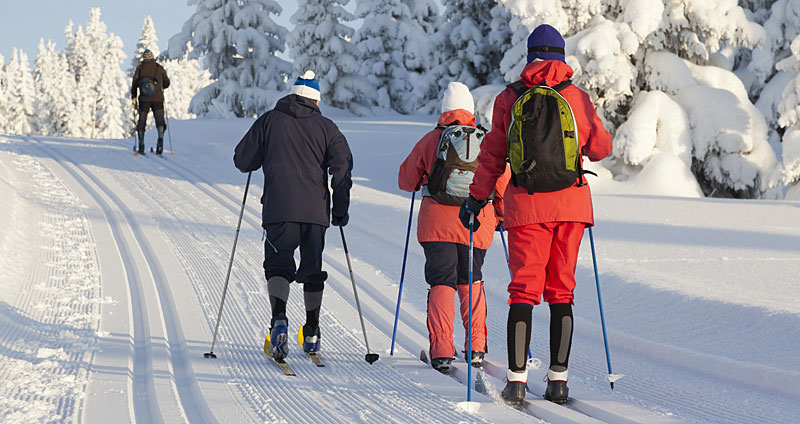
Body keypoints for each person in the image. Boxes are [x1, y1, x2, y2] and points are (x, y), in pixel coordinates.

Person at [460, 24, 612, 404]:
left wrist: (477, 198)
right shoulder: (576, 97)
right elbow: (601, 149)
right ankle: (558, 380)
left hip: (525, 206)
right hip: (572, 207)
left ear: (529, 56)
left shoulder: (509, 98)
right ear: (561, 56)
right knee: (562, 291)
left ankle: (516, 380)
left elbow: (493, 156)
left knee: (523, 292)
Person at [233, 71, 353, 361]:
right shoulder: (328, 127)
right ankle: (311, 331)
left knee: (278, 265)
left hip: (278, 209)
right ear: (315, 100)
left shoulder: (270, 120)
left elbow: (242, 160)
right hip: (315, 212)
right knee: (312, 269)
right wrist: (340, 208)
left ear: (293, 94)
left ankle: (279, 319)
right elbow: (343, 168)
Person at [399, 82, 510, 372]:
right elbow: (503, 186)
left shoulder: (430, 140)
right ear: (471, 111)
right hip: (476, 223)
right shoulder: (486, 141)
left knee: (442, 282)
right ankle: (475, 348)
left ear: (444, 111)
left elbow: (405, 181)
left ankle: (441, 351)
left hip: (437, 225)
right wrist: (499, 215)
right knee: (471, 280)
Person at [131, 49, 170, 155]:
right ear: (152, 57)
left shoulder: (140, 68)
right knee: (160, 120)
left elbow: (134, 84)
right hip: (158, 98)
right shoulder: (159, 68)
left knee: (142, 121)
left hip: (144, 99)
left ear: (144, 58)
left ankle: (141, 144)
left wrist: (133, 97)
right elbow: (166, 83)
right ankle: (160, 140)